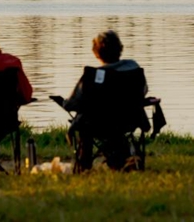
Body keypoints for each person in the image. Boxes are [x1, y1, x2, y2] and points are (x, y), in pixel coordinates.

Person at [63, 30, 148, 171]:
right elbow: (142, 92)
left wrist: (65, 103)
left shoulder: (92, 77)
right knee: (103, 125)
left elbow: (74, 102)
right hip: (128, 121)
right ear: (120, 49)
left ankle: (84, 166)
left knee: (84, 123)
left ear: (96, 52)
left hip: (97, 125)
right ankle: (122, 160)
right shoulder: (133, 69)